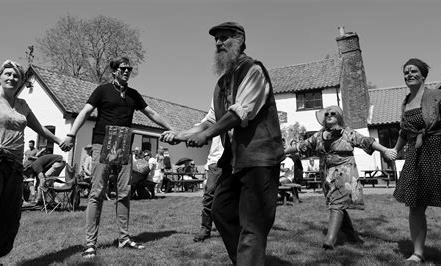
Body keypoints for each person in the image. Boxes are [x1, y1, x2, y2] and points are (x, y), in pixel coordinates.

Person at [162, 22, 284, 265]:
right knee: (222, 210)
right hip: (234, 160)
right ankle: (246, 260)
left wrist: (206, 136)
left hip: (260, 158)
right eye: (216, 39)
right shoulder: (221, 83)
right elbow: (210, 120)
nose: (218, 43)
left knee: (253, 225)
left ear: (240, 41)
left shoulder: (253, 70)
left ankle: (249, 258)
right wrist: (182, 134)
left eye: (224, 37)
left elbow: (239, 113)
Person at [59, 56, 173, 258]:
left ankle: (123, 238)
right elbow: (85, 112)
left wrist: (172, 129)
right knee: (97, 193)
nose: (127, 71)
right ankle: (89, 244)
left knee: (124, 193)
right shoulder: (102, 90)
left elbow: (151, 113)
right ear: (114, 71)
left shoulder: (133, 95)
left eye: (129, 69)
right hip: (102, 142)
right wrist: (71, 134)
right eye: (123, 69)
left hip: (123, 144)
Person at [0, 60, 62, 265]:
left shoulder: (22, 105)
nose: (12, 78)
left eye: (16, 76)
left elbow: (40, 129)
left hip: (15, 167)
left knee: (9, 220)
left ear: (20, 82)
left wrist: (59, 140)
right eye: (7, 74)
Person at [285, 105, 395, 250]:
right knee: (337, 204)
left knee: (336, 204)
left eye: (333, 113)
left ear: (339, 117)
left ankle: (329, 241)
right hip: (326, 174)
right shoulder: (318, 135)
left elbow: (367, 142)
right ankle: (352, 237)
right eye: (326, 114)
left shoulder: (347, 133)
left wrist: (385, 150)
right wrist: (283, 151)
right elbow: (302, 146)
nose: (329, 115)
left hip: (345, 172)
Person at [391, 58, 441, 263]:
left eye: (413, 71)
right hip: (416, 156)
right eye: (406, 72)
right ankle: (417, 253)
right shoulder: (406, 101)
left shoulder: (435, 95)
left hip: (439, 150)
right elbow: (405, 131)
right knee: (416, 205)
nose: (409, 74)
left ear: (423, 75)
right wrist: (395, 149)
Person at [193, 135, 224, 242]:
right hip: (215, 162)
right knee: (209, 195)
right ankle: (205, 228)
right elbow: (201, 129)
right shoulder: (213, 119)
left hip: (235, 160)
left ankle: (237, 228)